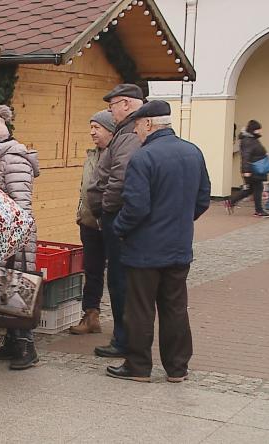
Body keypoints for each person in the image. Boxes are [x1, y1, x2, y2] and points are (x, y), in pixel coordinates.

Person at [107, 100, 210, 382]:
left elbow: (135, 207)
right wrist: (179, 222)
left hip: (144, 249)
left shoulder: (144, 157)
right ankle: (177, 368)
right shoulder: (193, 152)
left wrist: (119, 228)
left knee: (139, 308)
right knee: (175, 307)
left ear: (149, 124)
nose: (137, 132)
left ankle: (138, 366)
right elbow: (202, 198)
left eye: (138, 126)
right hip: (178, 246)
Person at [0, 110, 42, 370]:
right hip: (5, 235)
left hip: (17, 237)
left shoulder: (14, 160)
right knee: (5, 288)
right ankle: (11, 343)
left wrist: (15, 237)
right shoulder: (1, 158)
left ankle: (27, 347)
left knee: (21, 289)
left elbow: (22, 204)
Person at [85, 83, 144, 358]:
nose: (111, 110)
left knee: (120, 282)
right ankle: (123, 338)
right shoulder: (126, 133)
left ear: (127, 104)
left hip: (115, 216)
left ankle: (124, 341)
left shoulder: (129, 135)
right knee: (118, 280)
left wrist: (106, 209)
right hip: (111, 215)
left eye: (113, 105)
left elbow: (119, 178)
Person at [70, 111, 115, 335]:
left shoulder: (118, 155)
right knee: (92, 270)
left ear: (110, 129)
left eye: (96, 127)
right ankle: (91, 316)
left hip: (110, 223)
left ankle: (123, 325)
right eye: (91, 127)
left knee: (116, 274)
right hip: (88, 223)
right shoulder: (92, 155)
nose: (92, 132)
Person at [225, 120, 269, 218]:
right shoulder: (248, 140)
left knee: (250, 189)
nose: (260, 131)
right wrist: (246, 171)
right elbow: (246, 156)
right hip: (252, 169)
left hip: (253, 169)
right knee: (257, 188)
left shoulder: (252, 139)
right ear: (254, 130)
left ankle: (231, 202)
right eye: (258, 129)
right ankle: (259, 211)